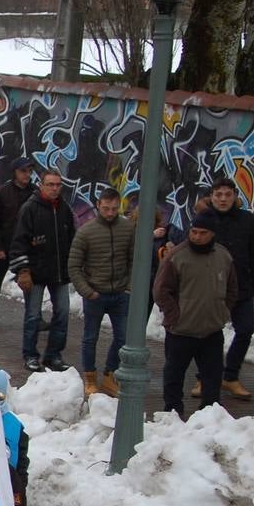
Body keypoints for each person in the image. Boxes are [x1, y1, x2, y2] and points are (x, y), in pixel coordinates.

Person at [154, 211, 239, 415]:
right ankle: (172, 414)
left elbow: (232, 289)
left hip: (211, 331)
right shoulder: (177, 256)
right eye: (194, 232)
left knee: (212, 378)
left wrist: (222, 312)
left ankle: (209, 416)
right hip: (181, 331)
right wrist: (175, 315)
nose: (197, 237)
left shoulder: (223, 256)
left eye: (202, 233)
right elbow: (161, 290)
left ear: (212, 234)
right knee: (174, 376)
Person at [68, 187, 134, 397]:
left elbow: (134, 259)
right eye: (106, 208)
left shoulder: (127, 228)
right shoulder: (86, 232)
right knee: (90, 338)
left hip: (120, 293)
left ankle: (109, 374)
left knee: (123, 337)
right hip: (95, 294)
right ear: (98, 206)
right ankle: (89, 377)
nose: (110, 213)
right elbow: (74, 266)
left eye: (114, 209)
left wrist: (129, 285)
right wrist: (87, 291)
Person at [10, 168, 76, 373]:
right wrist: (23, 270)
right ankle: (30, 355)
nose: (55, 189)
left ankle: (54, 355)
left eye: (58, 185)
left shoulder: (64, 209)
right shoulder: (29, 209)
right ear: (41, 185)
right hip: (35, 271)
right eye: (50, 184)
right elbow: (19, 242)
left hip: (59, 272)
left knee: (63, 313)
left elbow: (72, 239)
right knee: (32, 315)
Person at [204, 176, 254, 400]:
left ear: (235, 197)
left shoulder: (247, 220)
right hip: (210, 289)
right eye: (218, 195)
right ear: (212, 197)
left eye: (227, 195)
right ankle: (202, 378)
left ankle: (230, 376)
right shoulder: (204, 220)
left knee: (245, 329)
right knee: (207, 334)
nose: (223, 199)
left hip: (242, 287)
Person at [0, 156, 36, 327]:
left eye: (29, 171)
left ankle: (34, 314)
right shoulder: (2, 193)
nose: (27, 175)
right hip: (5, 246)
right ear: (15, 172)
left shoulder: (35, 193)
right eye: (23, 171)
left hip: (27, 247)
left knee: (30, 281)